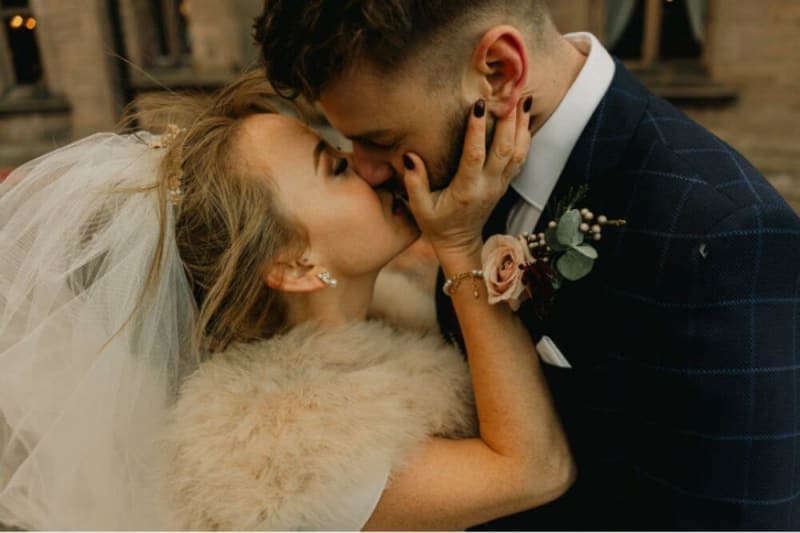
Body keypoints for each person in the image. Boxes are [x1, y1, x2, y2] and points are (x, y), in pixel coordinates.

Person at [255, 0, 800, 529]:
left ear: (498, 72)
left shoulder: (722, 233)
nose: (369, 170)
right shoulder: (464, 188)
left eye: (382, 140)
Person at [0, 72, 574, 530]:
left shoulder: (395, 327)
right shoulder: (279, 455)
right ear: (293, 264)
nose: (371, 168)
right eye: (334, 167)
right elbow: (534, 470)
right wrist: (458, 244)